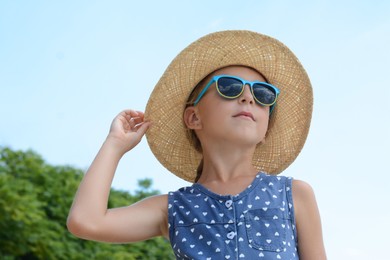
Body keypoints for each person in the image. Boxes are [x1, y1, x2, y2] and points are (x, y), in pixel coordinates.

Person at [67, 30, 327, 259]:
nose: (248, 97)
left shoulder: (293, 194)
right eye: (230, 87)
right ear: (194, 117)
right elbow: (86, 221)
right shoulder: (173, 209)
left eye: (263, 95)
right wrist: (114, 145)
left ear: (266, 129)